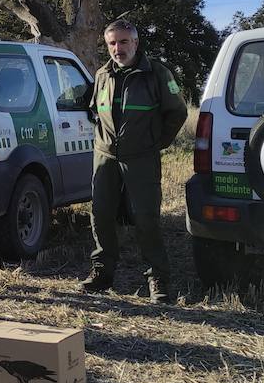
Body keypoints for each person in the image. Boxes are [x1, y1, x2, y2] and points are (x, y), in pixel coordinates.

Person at [78, 19, 188, 304]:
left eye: (124, 42)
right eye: (112, 43)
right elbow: (95, 111)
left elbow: (177, 113)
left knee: (145, 218)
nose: (118, 48)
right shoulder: (102, 75)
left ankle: (158, 280)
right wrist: (103, 142)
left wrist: (154, 143)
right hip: (105, 157)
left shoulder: (157, 73)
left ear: (136, 43)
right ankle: (102, 273)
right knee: (100, 215)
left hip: (141, 158)